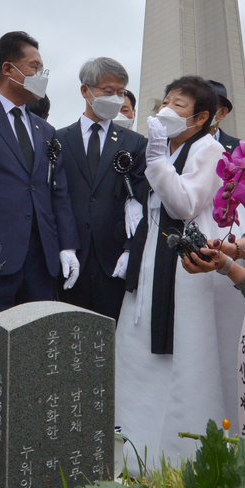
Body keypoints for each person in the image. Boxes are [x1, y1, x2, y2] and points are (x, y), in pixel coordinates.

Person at [115, 75, 245, 469]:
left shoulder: (208, 148)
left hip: (188, 256)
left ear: (201, 117)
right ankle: (136, 436)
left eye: (178, 105)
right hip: (153, 253)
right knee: (138, 341)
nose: (166, 109)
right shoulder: (167, 147)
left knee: (188, 342)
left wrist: (157, 161)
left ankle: (184, 444)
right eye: (166, 100)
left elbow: (185, 204)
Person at [0, 31, 80, 449]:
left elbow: (54, 190)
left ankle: (35, 431)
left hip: (41, 258)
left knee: (39, 348)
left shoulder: (45, 130)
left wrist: (66, 245)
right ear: (9, 69)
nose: (41, 76)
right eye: (35, 68)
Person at [56, 58, 146, 323]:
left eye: (120, 92)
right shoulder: (58, 139)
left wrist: (131, 250)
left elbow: (140, 200)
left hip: (115, 259)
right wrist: (64, 246)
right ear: (86, 91)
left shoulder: (134, 142)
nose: (115, 98)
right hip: (70, 258)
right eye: (108, 91)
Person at [208, 80, 240, 153]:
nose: (203, 112)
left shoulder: (239, 148)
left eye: (210, 106)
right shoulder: (180, 144)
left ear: (223, 113)